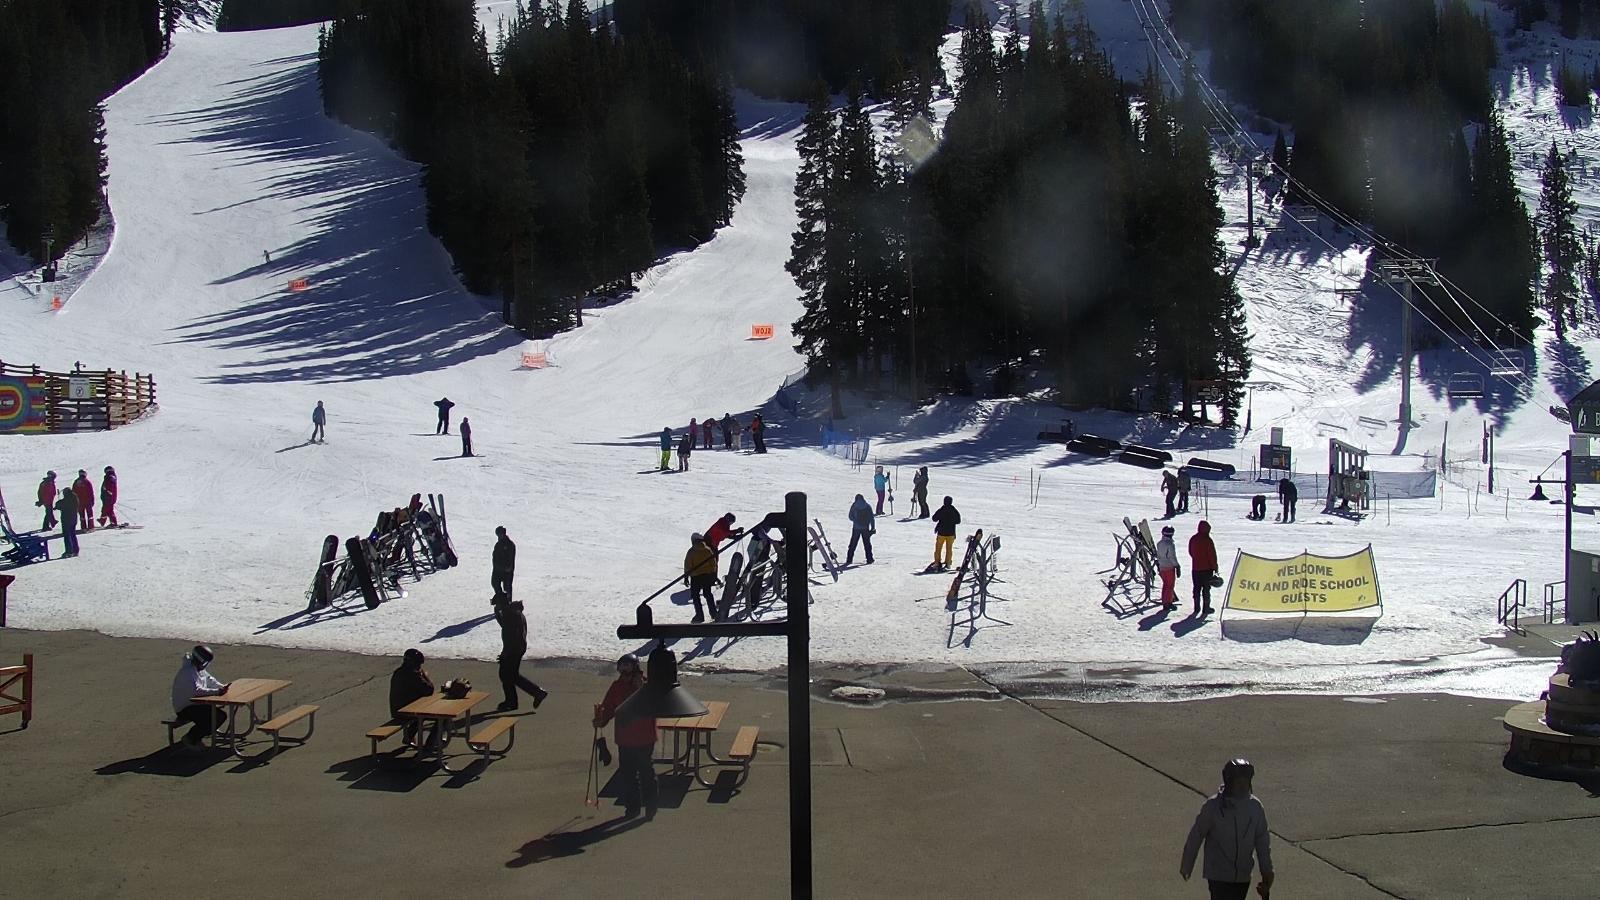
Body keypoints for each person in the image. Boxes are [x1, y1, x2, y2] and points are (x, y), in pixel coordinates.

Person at [1180, 758, 1274, 900]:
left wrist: (1267, 871)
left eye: (1246, 781)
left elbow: (1262, 841)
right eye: (1239, 781)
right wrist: (1187, 864)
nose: (1243, 786)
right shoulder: (1213, 807)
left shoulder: (1255, 807)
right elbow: (1196, 835)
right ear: (1229, 781)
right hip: (1218, 875)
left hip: (1243, 875)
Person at [594, 653, 657, 818]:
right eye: (621, 669)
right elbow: (608, 707)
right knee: (628, 775)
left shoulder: (646, 685)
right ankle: (632, 808)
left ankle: (651, 807)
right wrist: (601, 720)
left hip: (644, 737)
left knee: (646, 773)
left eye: (628, 668)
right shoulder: (616, 687)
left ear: (635, 668)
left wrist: (639, 688)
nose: (624, 673)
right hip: (625, 739)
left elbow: (653, 704)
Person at [493, 597, 548, 711]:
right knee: (511, 675)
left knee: (507, 675)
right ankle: (515, 700)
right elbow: (504, 624)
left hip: (513, 649)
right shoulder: (515, 613)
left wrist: (506, 653)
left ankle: (520, 698)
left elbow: (511, 636)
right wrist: (497, 613)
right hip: (518, 648)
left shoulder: (510, 615)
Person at [170, 645, 229, 747]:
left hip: (195, 705)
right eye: (205, 662)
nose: (206, 665)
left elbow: (210, 679)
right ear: (200, 660)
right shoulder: (188, 672)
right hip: (185, 708)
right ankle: (191, 738)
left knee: (218, 715)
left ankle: (200, 734)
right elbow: (196, 691)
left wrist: (222, 687)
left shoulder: (197, 669)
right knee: (218, 716)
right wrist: (217, 692)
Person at [389, 648, 435, 745]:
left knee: (421, 713)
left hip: (398, 709)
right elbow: (429, 689)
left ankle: (409, 736)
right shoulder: (412, 674)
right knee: (442, 719)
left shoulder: (399, 671)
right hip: (405, 712)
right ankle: (430, 745)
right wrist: (423, 675)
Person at [683, 533, 718, 622]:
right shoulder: (707, 549)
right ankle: (714, 613)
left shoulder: (691, 551)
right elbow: (713, 562)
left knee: (695, 596)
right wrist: (713, 573)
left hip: (696, 577)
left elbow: (687, 565)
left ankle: (699, 616)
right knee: (708, 594)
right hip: (707, 575)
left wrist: (686, 577)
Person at [1188, 520, 1218, 617]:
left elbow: (1190, 552)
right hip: (1207, 569)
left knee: (1196, 588)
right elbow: (1212, 555)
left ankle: (1196, 607)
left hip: (1195, 568)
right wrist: (1215, 567)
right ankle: (1206, 608)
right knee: (1206, 589)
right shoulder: (1208, 540)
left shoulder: (1193, 538)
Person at [932, 496, 961, 569]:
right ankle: (948, 563)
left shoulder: (942, 509)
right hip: (951, 533)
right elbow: (958, 521)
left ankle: (937, 562)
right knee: (949, 549)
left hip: (941, 532)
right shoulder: (954, 510)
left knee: (938, 548)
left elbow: (934, 518)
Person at [846, 494, 875, 565]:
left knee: (853, 544)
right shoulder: (867, 506)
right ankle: (869, 559)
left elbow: (850, 516)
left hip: (856, 528)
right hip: (865, 528)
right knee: (867, 544)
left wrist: (855, 520)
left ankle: (849, 559)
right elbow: (872, 518)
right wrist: (873, 527)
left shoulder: (854, 506)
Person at [1156, 525, 1180, 611]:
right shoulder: (1170, 545)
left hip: (1161, 566)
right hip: (1169, 567)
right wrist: (1177, 566)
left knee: (1165, 585)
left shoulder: (1159, 543)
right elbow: (1172, 557)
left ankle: (1164, 601)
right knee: (1170, 586)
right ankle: (1168, 603)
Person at [491, 526, 515, 605]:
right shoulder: (498, 544)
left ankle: (508, 603)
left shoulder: (510, 544)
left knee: (507, 587)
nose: (498, 536)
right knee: (494, 583)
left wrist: (508, 568)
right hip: (497, 569)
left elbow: (511, 558)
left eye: (499, 534)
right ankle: (501, 599)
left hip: (507, 571)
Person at [55, 486, 80, 558]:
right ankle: (75, 550)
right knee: (73, 534)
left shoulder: (66, 499)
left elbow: (60, 504)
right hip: (74, 519)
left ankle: (69, 551)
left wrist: (57, 506)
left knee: (67, 535)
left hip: (66, 519)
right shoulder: (75, 498)